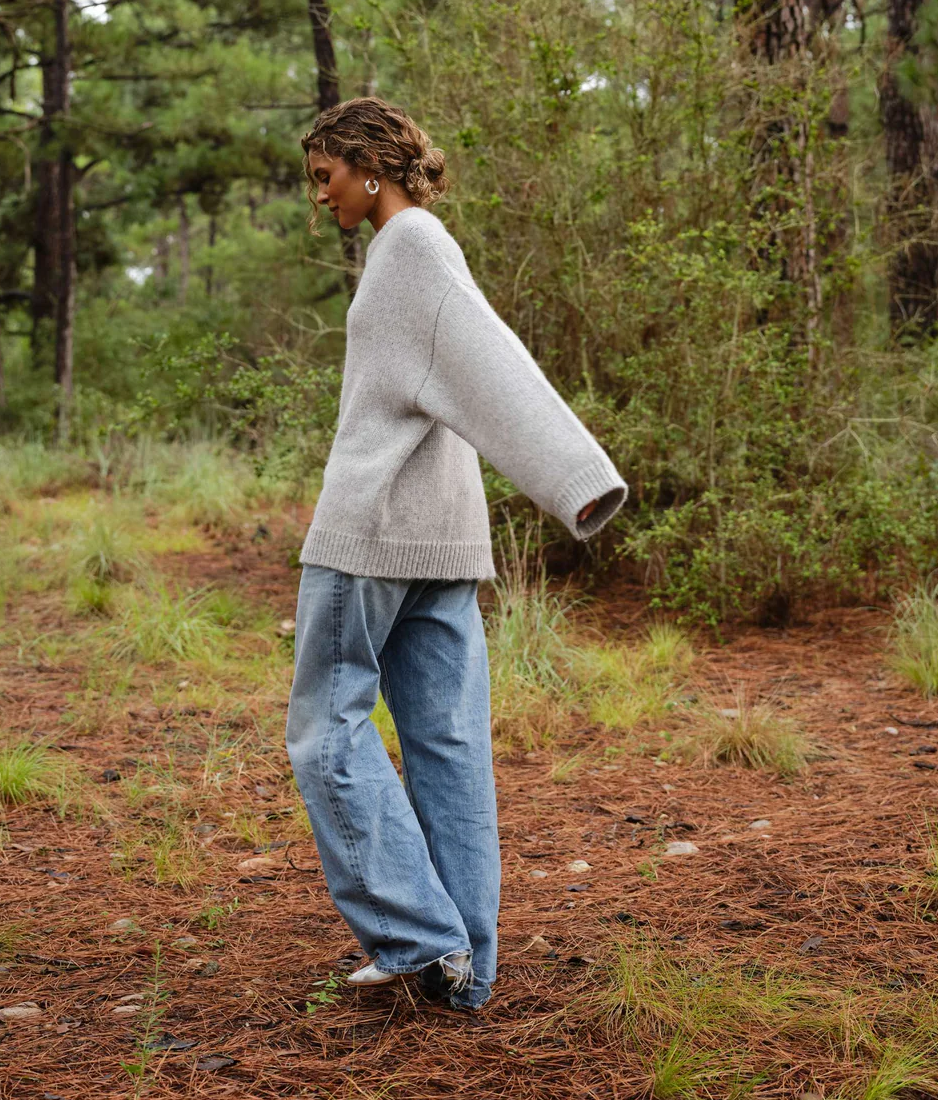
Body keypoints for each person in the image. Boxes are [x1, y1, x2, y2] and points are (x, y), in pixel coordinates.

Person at [285, 96, 628, 1011]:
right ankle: (460, 971)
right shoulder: (418, 251)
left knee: (326, 732)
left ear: (369, 165)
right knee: (446, 745)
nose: (321, 197)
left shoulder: (409, 248)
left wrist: (575, 478)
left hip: (375, 535)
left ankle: (421, 937)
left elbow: (497, 368)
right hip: (440, 540)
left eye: (326, 177)